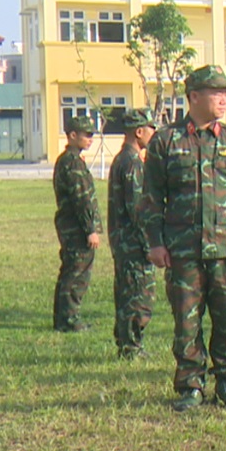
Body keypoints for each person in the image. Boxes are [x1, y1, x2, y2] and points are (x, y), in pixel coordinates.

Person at [140, 66, 226, 411]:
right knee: (187, 321)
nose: (223, 98)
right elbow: (151, 197)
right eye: (215, 92)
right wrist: (155, 242)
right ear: (194, 96)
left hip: (225, 248)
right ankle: (190, 386)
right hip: (183, 250)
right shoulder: (166, 141)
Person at [107, 109, 157, 357]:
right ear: (139, 132)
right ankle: (131, 346)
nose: (153, 133)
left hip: (123, 240)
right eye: (151, 128)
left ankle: (127, 344)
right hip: (133, 243)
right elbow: (139, 209)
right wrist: (151, 243)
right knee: (138, 296)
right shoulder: (133, 163)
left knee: (128, 292)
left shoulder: (121, 159)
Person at [52, 115, 102, 333]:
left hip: (72, 225)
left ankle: (65, 318)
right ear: (72, 136)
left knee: (72, 271)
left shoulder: (72, 160)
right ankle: (68, 319)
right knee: (76, 273)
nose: (90, 139)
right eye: (86, 135)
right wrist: (90, 229)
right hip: (76, 227)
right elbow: (81, 199)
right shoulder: (71, 163)